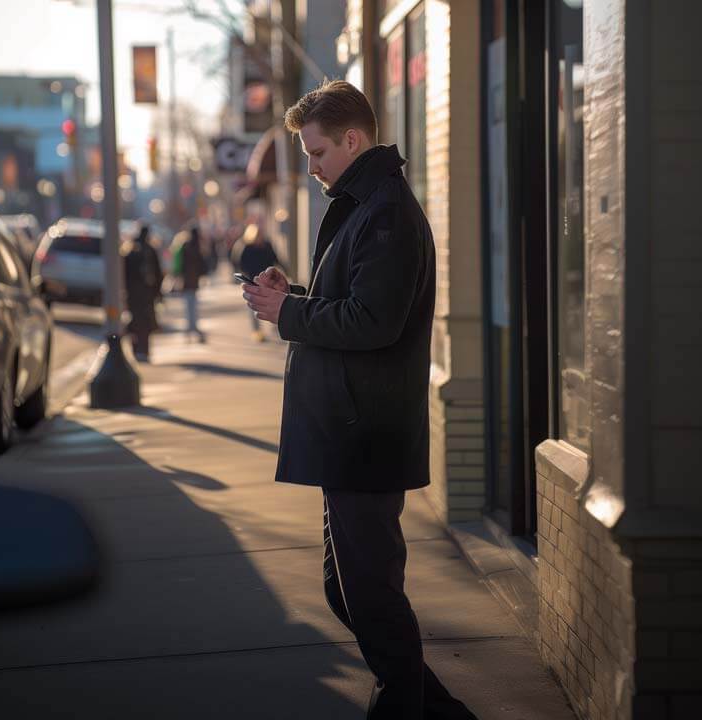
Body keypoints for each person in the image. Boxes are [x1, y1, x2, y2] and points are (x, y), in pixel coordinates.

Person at [240, 79, 478, 720]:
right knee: (347, 593)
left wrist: (288, 312)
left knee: (369, 594)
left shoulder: (386, 212)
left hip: (365, 434)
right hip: (348, 431)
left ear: (352, 139)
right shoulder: (362, 203)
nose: (312, 167)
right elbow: (354, 305)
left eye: (317, 153)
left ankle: (406, 708)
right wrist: (294, 296)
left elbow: (374, 322)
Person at [232, 223, 284, 342]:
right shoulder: (247, 247)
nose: (260, 236)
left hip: (268, 281)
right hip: (253, 281)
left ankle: (276, 326)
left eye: (261, 234)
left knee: (273, 303)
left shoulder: (267, 245)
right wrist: (245, 276)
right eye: (257, 234)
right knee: (254, 306)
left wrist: (284, 270)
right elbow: (239, 262)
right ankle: (257, 331)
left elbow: (276, 259)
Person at [122, 222, 163, 362]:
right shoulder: (150, 250)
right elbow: (158, 274)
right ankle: (143, 350)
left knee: (136, 321)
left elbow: (124, 273)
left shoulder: (130, 250)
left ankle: (137, 349)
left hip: (134, 294)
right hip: (146, 293)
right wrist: (157, 292)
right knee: (145, 322)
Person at [173, 223, 207, 343]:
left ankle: (190, 329)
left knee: (189, 306)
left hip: (186, 281)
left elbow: (178, 265)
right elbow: (203, 265)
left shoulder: (184, 245)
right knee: (193, 306)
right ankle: (192, 328)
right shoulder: (197, 246)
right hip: (193, 281)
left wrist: (177, 277)